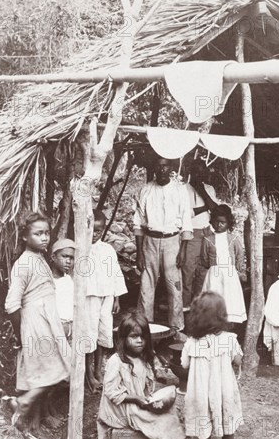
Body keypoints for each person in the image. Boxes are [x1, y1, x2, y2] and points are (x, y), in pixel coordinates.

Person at [5, 212, 71, 434]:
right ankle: (26, 407)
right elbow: (12, 305)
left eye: (46, 233)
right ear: (25, 236)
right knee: (52, 370)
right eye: (38, 234)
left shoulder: (40, 259)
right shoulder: (23, 264)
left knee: (56, 368)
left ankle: (31, 415)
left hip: (47, 322)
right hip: (35, 324)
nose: (44, 238)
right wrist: (21, 333)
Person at [97, 311, 185, 439]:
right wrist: (137, 399)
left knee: (170, 411)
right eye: (134, 337)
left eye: (143, 337)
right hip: (121, 410)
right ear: (123, 339)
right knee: (160, 420)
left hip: (137, 403)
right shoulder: (116, 362)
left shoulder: (143, 359)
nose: (139, 341)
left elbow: (146, 386)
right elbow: (111, 392)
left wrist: (150, 399)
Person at [181, 292, 243, 439]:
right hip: (224, 389)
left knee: (203, 417)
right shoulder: (229, 339)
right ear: (221, 316)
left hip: (200, 391)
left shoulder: (191, 342)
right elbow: (237, 360)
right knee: (226, 416)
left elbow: (184, 364)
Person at [134, 157, 193, 326]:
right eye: (158, 166)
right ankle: (145, 325)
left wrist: (182, 251)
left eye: (165, 166)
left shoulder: (180, 190)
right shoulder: (146, 190)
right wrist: (139, 253)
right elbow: (138, 222)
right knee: (146, 284)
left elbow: (186, 222)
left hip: (172, 241)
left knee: (174, 286)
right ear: (154, 168)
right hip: (150, 240)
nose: (161, 170)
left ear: (171, 168)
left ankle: (176, 327)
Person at [85, 210, 127, 391]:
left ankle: (98, 370)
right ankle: (87, 374)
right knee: (89, 334)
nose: (94, 234)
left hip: (107, 296)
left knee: (104, 333)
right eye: (92, 230)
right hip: (89, 297)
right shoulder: (81, 249)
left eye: (98, 231)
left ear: (103, 230)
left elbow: (116, 273)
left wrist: (117, 297)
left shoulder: (107, 250)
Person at [179, 158, 218, 308]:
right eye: (196, 172)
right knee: (188, 271)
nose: (200, 175)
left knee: (205, 271)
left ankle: (200, 306)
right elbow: (186, 214)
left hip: (208, 232)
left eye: (202, 171)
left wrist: (202, 192)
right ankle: (185, 307)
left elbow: (215, 209)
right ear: (191, 172)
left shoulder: (209, 189)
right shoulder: (183, 189)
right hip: (191, 233)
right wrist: (206, 206)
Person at [200, 204, 247, 325]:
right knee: (214, 299)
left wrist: (237, 269)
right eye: (216, 222)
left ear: (228, 223)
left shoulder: (233, 238)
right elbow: (204, 259)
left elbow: (240, 255)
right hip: (214, 275)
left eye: (223, 222)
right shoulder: (207, 239)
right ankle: (213, 325)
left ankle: (229, 326)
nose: (219, 225)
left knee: (229, 300)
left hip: (230, 275)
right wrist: (212, 266)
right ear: (212, 221)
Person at [50, 238, 76, 343]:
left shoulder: (70, 280)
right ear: (53, 257)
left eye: (71, 258)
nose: (68, 261)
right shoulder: (48, 282)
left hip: (70, 329)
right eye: (64, 256)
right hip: (55, 329)